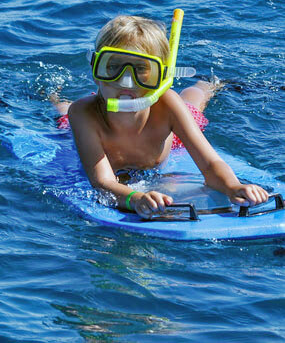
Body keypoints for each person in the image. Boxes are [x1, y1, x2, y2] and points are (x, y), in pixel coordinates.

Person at [52, 14, 268, 218]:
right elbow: (102, 181)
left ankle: (208, 83)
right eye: (113, 67)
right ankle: (52, 95)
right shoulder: (84, 114)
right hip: (88, 117)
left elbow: (210, 164)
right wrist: (135, 199)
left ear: (162, 77)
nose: (126, 81)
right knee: (65, 115)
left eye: (141, 69)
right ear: (96, 69)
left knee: (192, 102)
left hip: (173, 141)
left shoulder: (167, 104)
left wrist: (232, 186)